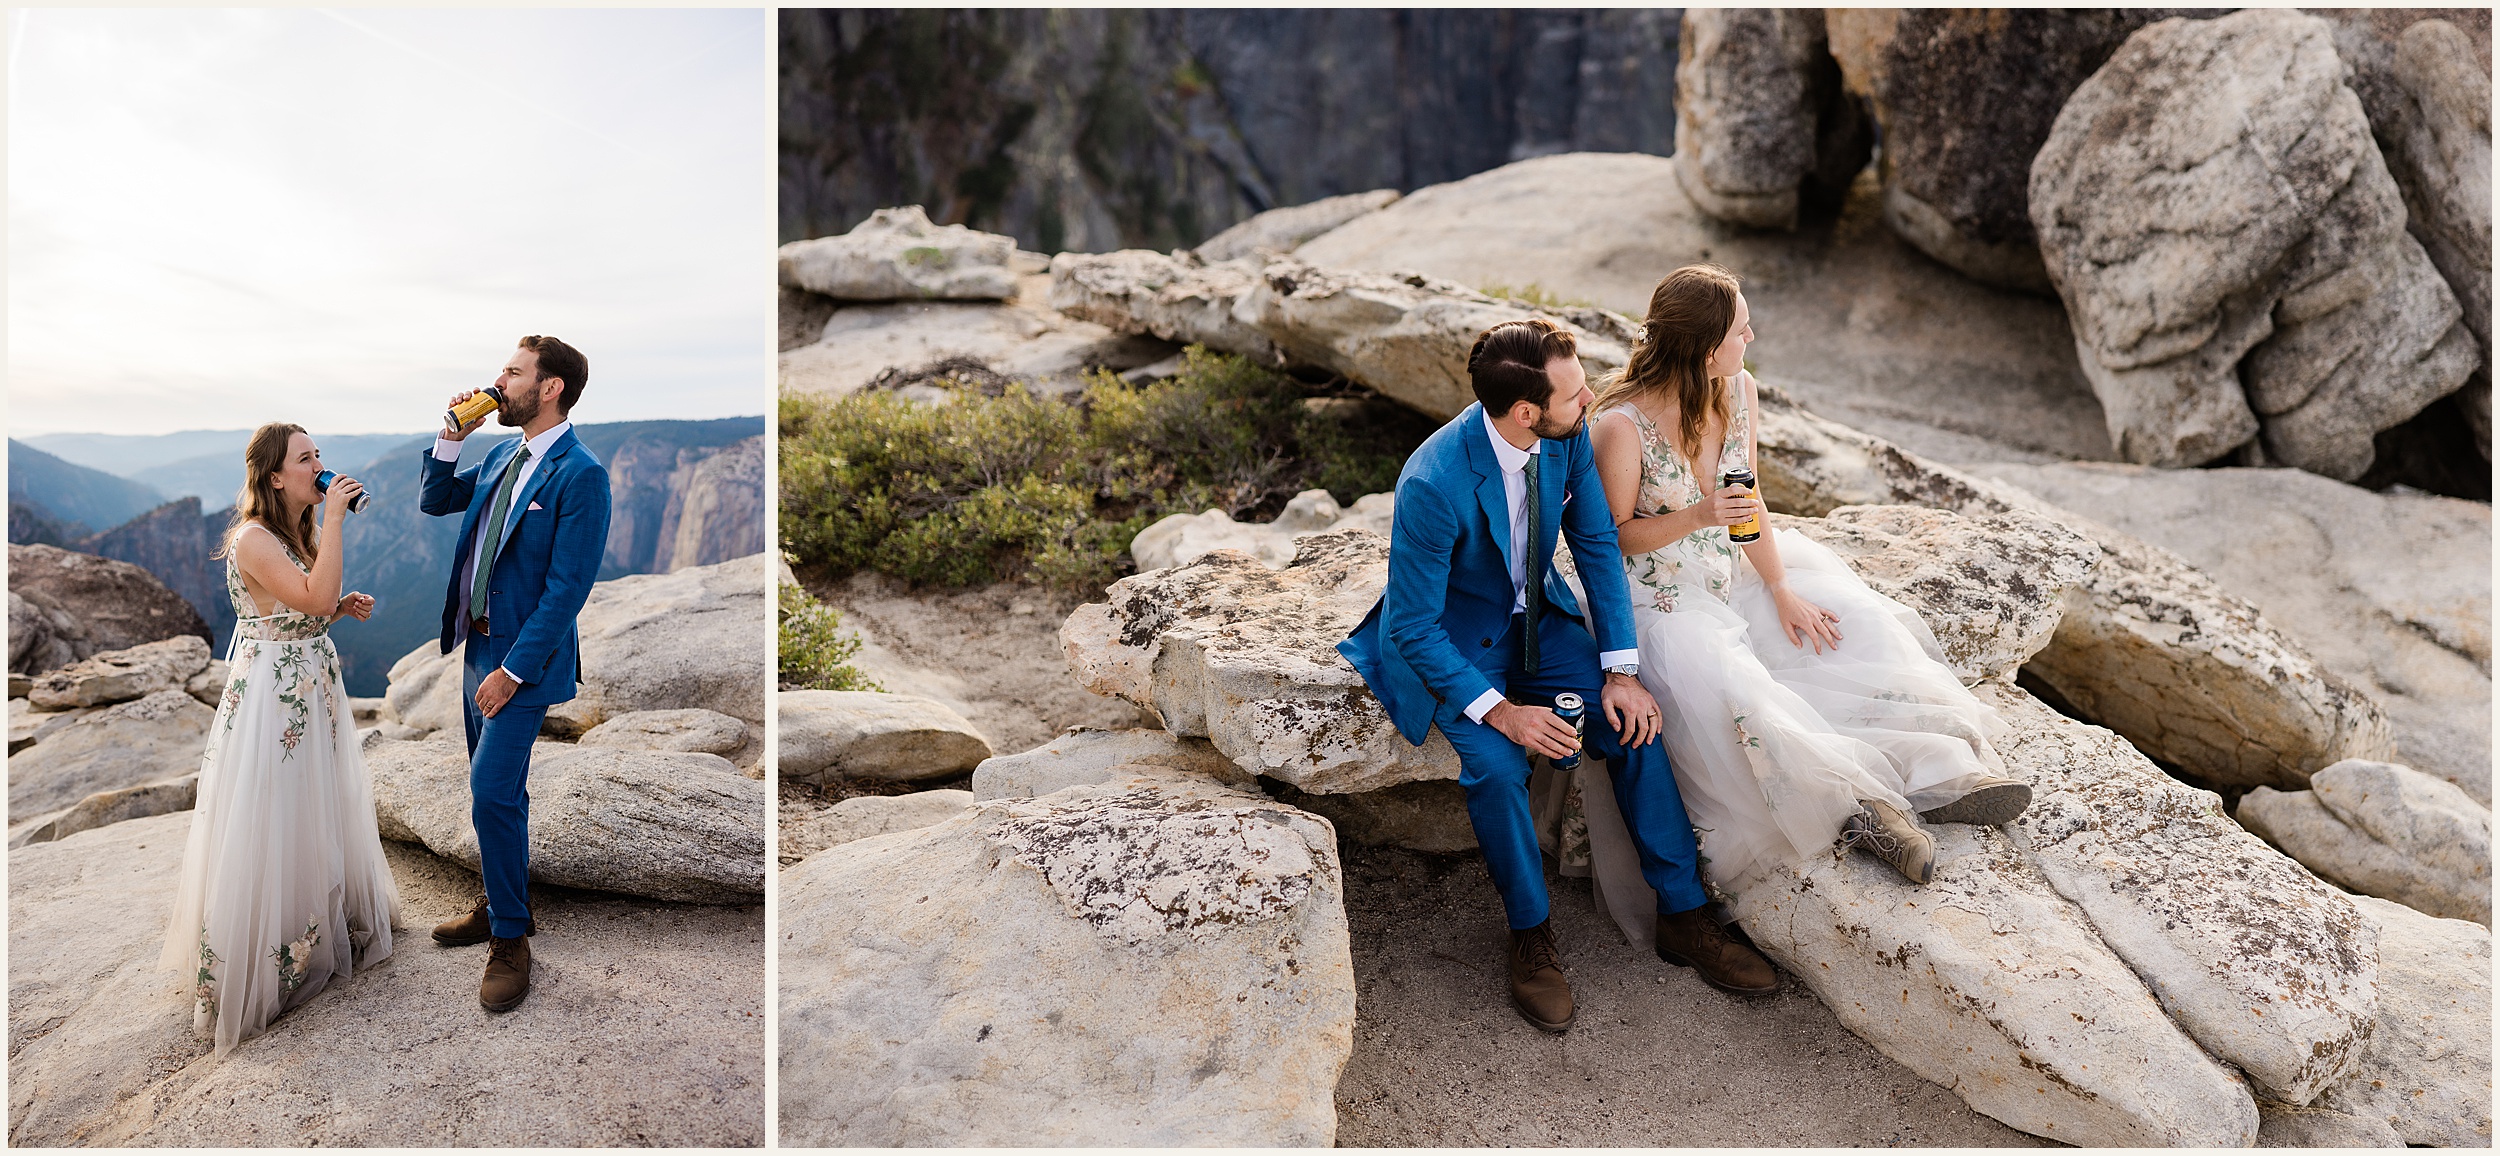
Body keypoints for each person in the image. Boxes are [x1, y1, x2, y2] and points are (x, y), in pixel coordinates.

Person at [1339, 318, 1782, 1033]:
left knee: (1633, 723)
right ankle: (1531, 936)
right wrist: (1503, 711)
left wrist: (1622, 669)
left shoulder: (1567, 435)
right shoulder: (1432, 481)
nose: (1591, 405)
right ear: (1525, 413)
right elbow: (1411, 627)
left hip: (1542, 622)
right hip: (1457, 644)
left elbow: (1598, 544)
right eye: (1576, 395)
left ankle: (1685, 914)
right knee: (1493, 768)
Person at [1577, 263, 2031, 910]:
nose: (1752, 337)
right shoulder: (1621, 427)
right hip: (1659, 600)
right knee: (1740, 690)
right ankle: (1864, 810)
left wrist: (1780, 586)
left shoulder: (1736, 390)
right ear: (1707, 348)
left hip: (1726, 567)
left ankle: (1940, 771)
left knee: (1846, 624)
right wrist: (1699, 516)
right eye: (1741, 329)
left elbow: (1746, 496)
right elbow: (1615, 536)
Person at [160, 424, 399, 1054]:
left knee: (312, 807)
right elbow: (306, 593)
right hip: (275, 698)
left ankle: (315, 926)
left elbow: (305, 605)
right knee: (276, 812)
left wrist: (337, 608)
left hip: (306, 683)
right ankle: (266, 959)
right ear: (274, 476)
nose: (320, 466)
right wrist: (341, 523)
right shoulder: (255, 537)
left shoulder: (293, 532)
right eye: (305, 459)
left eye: (318, 455)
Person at [418, 335, 611, 1013]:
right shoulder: (504, 453)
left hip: (521, 663)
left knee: (491, 790)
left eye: (512, 372)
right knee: (500, 794)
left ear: (549, 387)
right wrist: (450, 435)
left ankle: (511, 939)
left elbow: (567, 589)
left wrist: (512, 672)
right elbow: (435, 501)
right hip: (476, 647)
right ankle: (502, 899)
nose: (498, 381)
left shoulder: (581, 474)